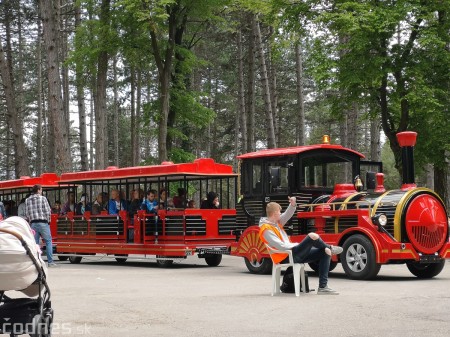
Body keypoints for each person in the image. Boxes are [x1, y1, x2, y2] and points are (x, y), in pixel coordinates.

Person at [259, 196, 343, 295]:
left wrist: (292, 204)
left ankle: (323, 287)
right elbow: (280, 246)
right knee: (312, 236)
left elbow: (287, 215)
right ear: (274, 214)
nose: (280, 214)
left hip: (293, 253)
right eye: (279, 212)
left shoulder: (275, 223)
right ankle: (330, 247)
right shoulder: (266, 229)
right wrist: (297, 245)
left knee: (326, 252)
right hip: (286, 256)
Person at [25, 184, 57, 267]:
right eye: (41, 189)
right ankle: (50, 262)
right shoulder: (43, 198)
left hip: (33, 224)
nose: (41, 191)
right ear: (38, 190)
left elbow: (27, 213)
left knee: (35, 243)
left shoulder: (27, 200)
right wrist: (48, 221)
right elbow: (47, 211)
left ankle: (36, 262)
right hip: (43, 223)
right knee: (48, 241)